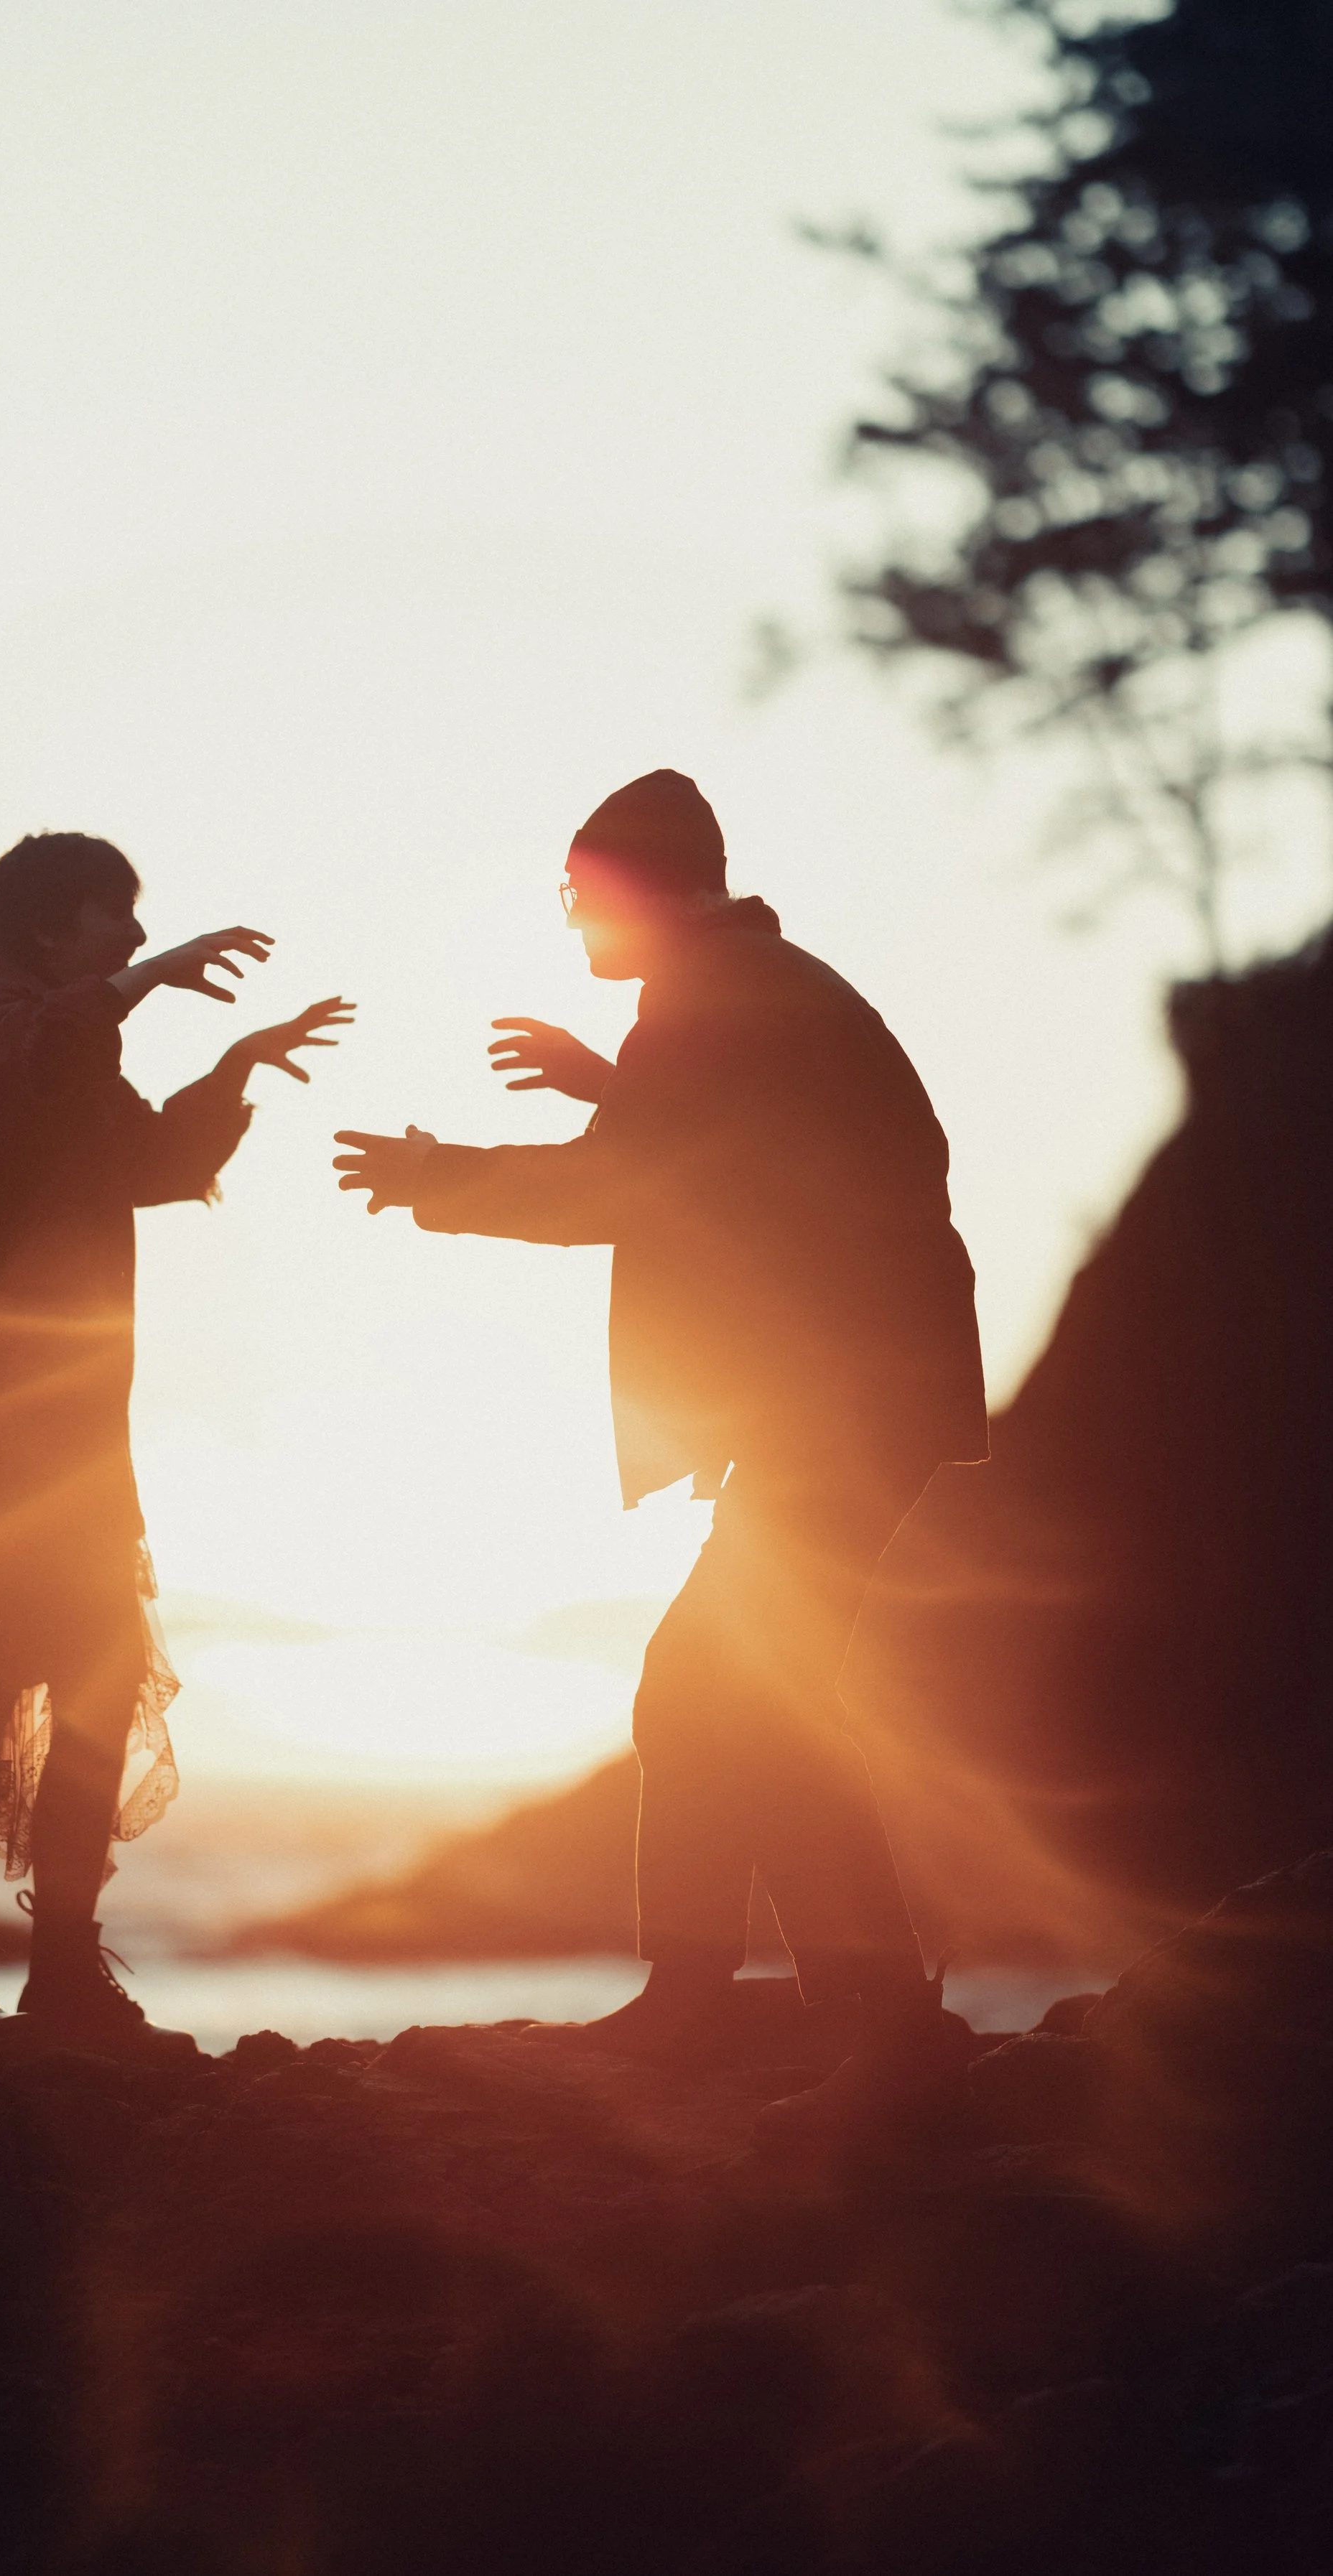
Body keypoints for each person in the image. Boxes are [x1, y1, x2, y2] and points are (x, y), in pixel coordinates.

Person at [333, 771, 987, 2149]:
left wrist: (434, 1175)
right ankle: (814, 2001)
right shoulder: (740, 986)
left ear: (639, 892)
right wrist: (609, 1079)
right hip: (857, 1393)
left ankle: (832, 2013)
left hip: (843, 1399)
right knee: (734, 1689)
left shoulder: (712, 997)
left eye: (578, 896)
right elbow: (730, 1149)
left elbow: (623, 1188)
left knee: (721, 1690)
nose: (570, 922)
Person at [0, 831, 351, 2065]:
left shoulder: (58, 1050)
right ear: (51, 932)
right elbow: (51, 1049)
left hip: (55, 1429)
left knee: (91, 1680)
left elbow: (152, 1161)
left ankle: (54, 1974)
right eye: (120, 918)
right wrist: (141, 991)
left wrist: (235, 1067)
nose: (139, 938)